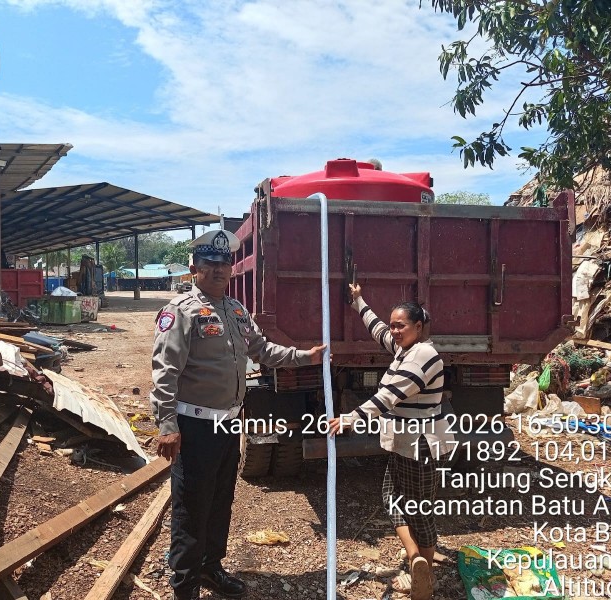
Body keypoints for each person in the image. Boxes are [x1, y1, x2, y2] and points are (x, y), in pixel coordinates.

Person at [150, 229, 327, 600]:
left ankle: (211, 568)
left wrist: (305, 357)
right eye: (209, 264)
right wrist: (167, 425)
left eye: (223, 263)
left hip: (228, 421)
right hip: (195, 425)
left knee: (219, 499)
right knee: (191, 506)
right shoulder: (180, 312)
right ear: (194, 267)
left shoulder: (235, 310)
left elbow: (262, 350)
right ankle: (184, 585)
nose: (218, 270)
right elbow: (165, 371)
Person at [329, 284, 453, 600]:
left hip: (419, 444)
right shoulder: (405, 349)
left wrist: (349, 419)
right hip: (403, 442)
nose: (394, 331)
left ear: (419, 327)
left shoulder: (425, 356)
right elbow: (378, 329)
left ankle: (423, 574)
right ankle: (417, 558)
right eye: (394, 324)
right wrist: (357, 300)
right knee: (392, 498)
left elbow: (389, 396)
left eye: (401, 325)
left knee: (417, 507)